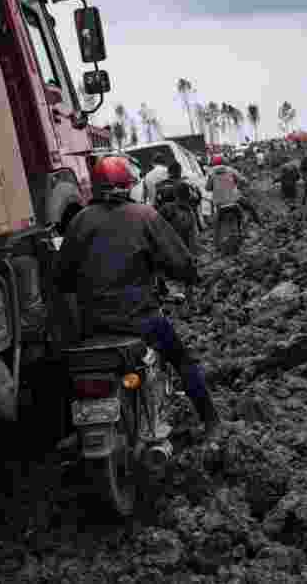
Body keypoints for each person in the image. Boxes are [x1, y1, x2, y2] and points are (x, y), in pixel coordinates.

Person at [55, 154, 219, 434]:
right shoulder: (144, 216)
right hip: (141, 320)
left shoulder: (79, 221)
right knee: (182, 360)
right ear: (127, 185)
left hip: (93, 326)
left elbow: (62, 278)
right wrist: (191, 275)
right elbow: (179, 262)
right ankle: (211, 420)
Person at [206, 154, 262, 239]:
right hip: (234, 199)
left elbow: (208, 188)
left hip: (219, 203)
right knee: (250, 207)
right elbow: (242, 180)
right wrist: (244, 182)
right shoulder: (231, 170)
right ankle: (259, 224)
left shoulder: (212, 173)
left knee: (216, 222)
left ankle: (216, 240)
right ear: (224, 161)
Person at [155, 161, 202, 256]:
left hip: (166, 219)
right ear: (180, 171)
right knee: (189, 244)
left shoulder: (159, 185)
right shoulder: (185, 183)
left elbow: (156, 202)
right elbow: (196, 199)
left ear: (168, 172)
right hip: (184, 217)